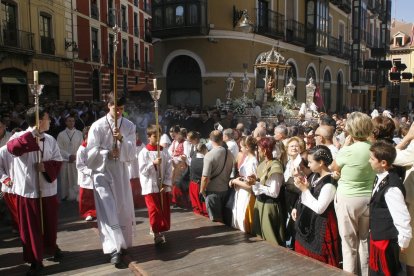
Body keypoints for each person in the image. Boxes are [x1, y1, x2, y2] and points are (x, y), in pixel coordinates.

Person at [7, 107, 63, 275]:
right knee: (31, 228)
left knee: (49, 224)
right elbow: (13, 149)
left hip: (47, 190)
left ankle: (50, 248)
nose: (51, 121)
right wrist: (32, 135)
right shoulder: (18, 137)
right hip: (29, 191)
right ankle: (35, 259)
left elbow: (58, 161)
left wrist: (45, 167)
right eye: (47, 118)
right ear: (39, 121)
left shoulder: (50, 139)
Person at [85, 93, 136, 266]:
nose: (119, 112)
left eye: (122, 109)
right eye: (116, 108)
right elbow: (90, 153)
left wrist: (121, 140)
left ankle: (123, 244)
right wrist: (106, 153)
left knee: (121, 207)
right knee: (108, 209)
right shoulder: (97, 126)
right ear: (109, 105)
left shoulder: (129, 125)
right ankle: (113, 248)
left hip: (120, 171)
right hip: (102, 172)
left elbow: (132, 151)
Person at [331, 111, 376, 276]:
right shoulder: (373, 148)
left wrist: (344, 147)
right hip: (368, 197)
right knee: (364, 240)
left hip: (348, 198)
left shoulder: (348, 151)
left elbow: (333, 167)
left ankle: (350, 273)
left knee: (348, 242)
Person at [368, 141, 412, 276]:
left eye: (372, 159)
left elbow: (401, 215)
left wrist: (404, 240)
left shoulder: (392, 187)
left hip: (385, 240)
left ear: (383, 163)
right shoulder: (381, 177)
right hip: (378, 234)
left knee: (386, 271)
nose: (369, 161)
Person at [292, 145, 340, 267]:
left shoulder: (329, 183)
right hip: (308, 224)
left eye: (311, 162)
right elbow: (307, 196)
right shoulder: (314, 176)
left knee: (319, 263)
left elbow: (320, 208)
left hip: (321, 226)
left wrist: (304, 190)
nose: (308, 165)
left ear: (321, 162)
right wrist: (296, 207)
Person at [138, 124, 173, 245]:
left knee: (162, 209)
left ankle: (157, 228)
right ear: (148, 137)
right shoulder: (144, 152)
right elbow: (142, 170)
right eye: (154, 136)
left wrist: (165, 182)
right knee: (154, 210)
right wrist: (153, 163)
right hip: (150, 186)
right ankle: (157, 233)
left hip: (162, 185)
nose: (157, 138)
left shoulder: (164, 151)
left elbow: (169, 167)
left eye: (159, 135)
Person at [248, 137, 285, 246]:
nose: (258, 150)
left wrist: (257, 184)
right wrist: (254, 182)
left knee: (270, 239)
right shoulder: (263, 164)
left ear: (265, 150)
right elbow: (258, 187)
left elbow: (274, 192)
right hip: (259, 204)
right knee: (259, 237)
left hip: (269, 206)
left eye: (259, 148)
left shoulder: (275, 166)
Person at [200, 130, 234, 222]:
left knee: (215, 221)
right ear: (222, 138)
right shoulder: (229, 153)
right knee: (225, 219)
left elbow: (205, 177)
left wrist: (202, 190)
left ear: (210, 140)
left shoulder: (209, 155)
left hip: (212, 192)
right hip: (226, 189)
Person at [229, 136, 258, 233]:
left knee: (244, 219)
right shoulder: (247, 159)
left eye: (241, 147)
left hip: (247, 194)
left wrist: (235, 181)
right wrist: (238, 179)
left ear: (247, 148)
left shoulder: (253, 161)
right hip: (241, 192)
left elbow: (251, 186)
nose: (240, 149)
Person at [57, 115, 83, 201]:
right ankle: (65, 195)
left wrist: (75, 156)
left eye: (73, 121)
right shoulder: (61, 134)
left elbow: (82, 146)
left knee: (76, 178)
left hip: (76, 160)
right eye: (69, 121)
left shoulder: (79, 133)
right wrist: (68, 155)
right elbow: (59, 148)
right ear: (66, 122)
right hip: (66, 160)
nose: (71, 122)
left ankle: (77, 196)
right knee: (65, 178)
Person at [76, 127, 96, 221]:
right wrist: (90, 171)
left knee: (94, 196)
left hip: (95, 175)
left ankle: (95, 212)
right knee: (86, 197)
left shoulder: (94, 147)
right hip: (86, 176)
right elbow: (80, 165)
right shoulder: (82, 149)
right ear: (86, 136)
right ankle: (87, 213)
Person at [188, 143, 208, 217]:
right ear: (205, 149)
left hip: (192, 184)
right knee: (204, 209)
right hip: (200, 186)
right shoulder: (205, 161)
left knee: (196, 208)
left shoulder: (193, 158)